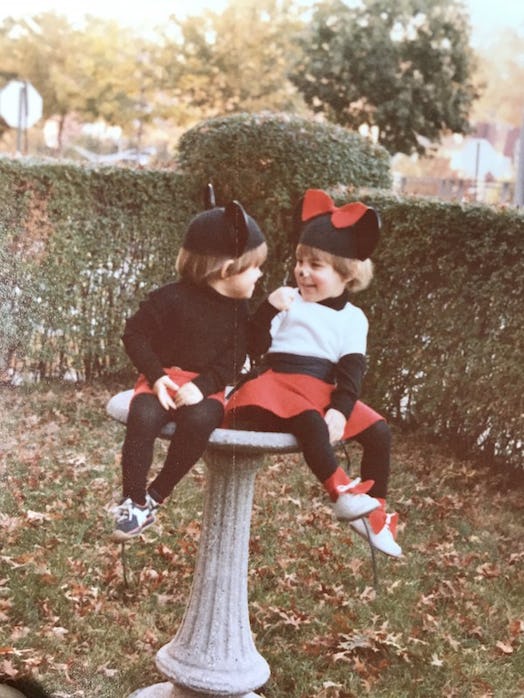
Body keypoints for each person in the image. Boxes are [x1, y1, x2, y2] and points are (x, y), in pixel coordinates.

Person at [224, 188, 401, 557]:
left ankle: (374, 513)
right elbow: (251, 346)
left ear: (347, 274)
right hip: (273, 387)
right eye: (299, 262)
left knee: (379, 431)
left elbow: (352, 370)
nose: (302, 272)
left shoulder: (353, 319)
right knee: (307, 420)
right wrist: (266, 310)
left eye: (315, 265)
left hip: (319, 386)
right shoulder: (287, 301)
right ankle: (341, 492)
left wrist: (340, 409)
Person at [110, 187, 267, 541]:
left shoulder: (238, 312)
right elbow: (134, 334)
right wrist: (156, 377)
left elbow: (234, 359)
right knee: (143, 417)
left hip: (206, 387)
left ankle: (155, 496)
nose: (259, 275)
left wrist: (203, 386)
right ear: (225, 269)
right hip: (163, 378)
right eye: (253, 266)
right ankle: (132, 500)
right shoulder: (170, 298)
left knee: (200, 422)